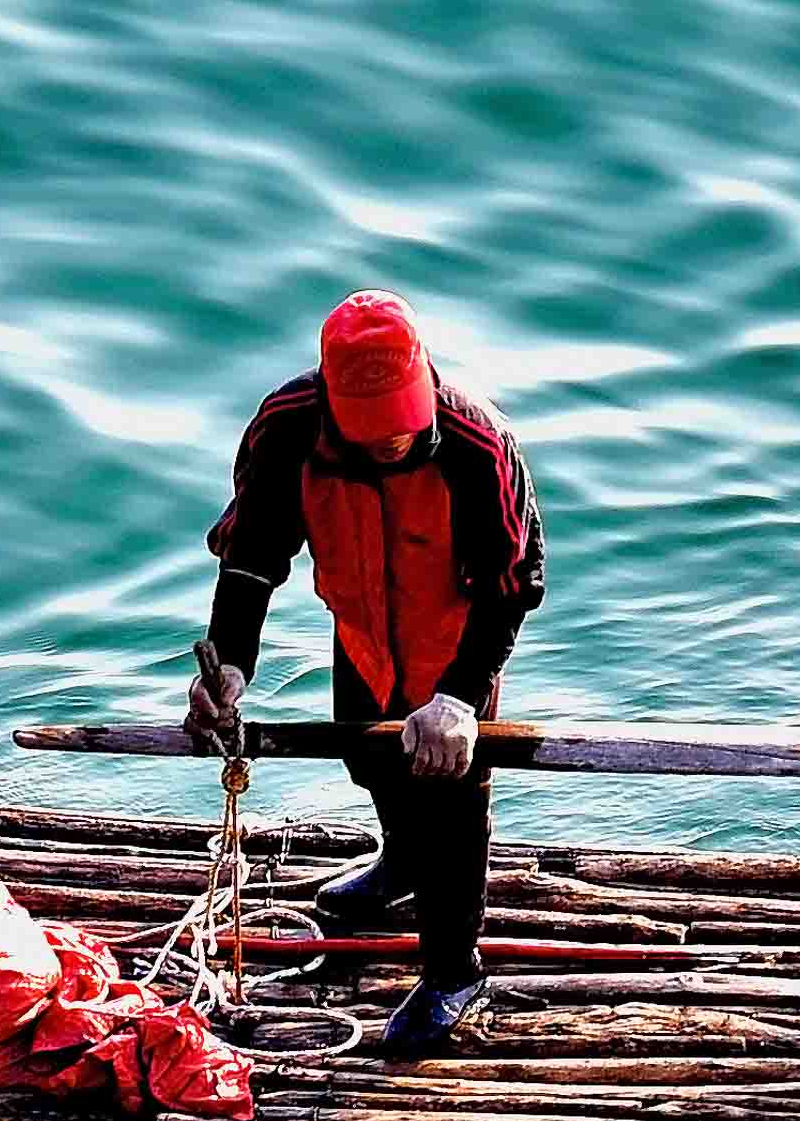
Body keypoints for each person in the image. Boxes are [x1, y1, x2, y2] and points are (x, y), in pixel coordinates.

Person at [181, 293, 545, 1060]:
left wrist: (460, 696)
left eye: (404, 426)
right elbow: (250, 557)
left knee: (448, 798)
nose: (392, 442)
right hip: (361, 628)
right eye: (370, 430)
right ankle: (399, 859)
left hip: (452, 645)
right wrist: (230, 666)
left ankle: (455, 970)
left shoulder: (479, 445)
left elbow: (513, 584)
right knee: (370, 757)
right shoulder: (284, 431)